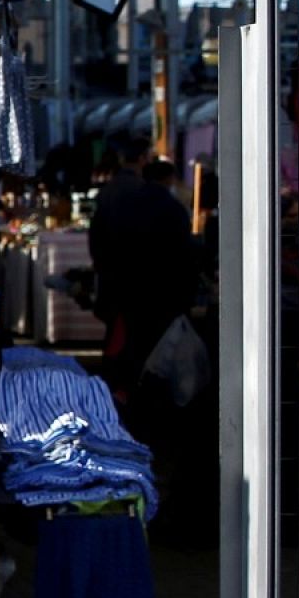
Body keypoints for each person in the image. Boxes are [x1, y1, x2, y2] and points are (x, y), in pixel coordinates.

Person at [88, 136, 198, 403]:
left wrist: (104, 270)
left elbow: (98, 238)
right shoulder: (170, 207)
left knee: (122, 340)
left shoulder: (114, 193)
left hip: (123, 281)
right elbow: (186, 252)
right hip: (159, 286)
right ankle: (145, 393)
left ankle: (120, 390)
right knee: (151, 344)